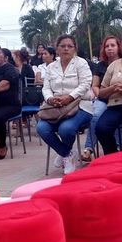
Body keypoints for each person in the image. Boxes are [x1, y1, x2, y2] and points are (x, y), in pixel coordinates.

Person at [36, 34, 93, 174]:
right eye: (62, 46)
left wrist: (70, 97)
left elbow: (86, 84)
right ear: (57, 49)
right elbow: (46, 88)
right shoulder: (51, 67)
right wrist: (50, 99)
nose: (66, 49)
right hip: (56, 107)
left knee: (65, 129)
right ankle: (67, 154)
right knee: (42, 128)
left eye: (70, 46)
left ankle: (63, 154)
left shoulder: (81, 63)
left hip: (80, 105)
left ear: (74, 48)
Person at [81, 35, 122, 162]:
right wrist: (101, 94)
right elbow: (95, 85)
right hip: (103, 99)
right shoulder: (100, 65)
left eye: (112, 45)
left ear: (118, 47)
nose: (109, 48)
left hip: (121, 99)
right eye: (106, 46)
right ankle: (89, 148)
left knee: (118, 118)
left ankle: (118, 147)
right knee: (96, 115)